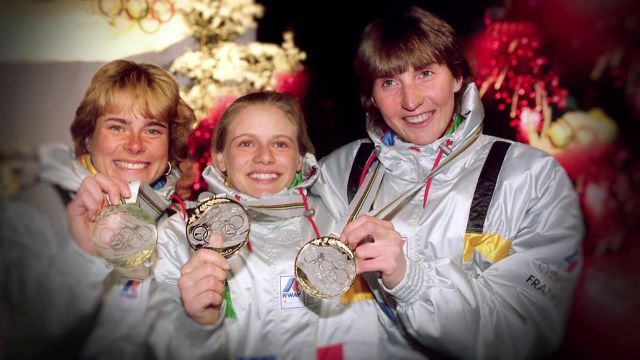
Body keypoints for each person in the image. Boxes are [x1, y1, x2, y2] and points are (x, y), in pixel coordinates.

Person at [312, 7, 584, 359]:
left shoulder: (532, 178)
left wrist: (409, 280)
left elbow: (524, 330)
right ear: (371, 97)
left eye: (425, 73)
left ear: (457, 77)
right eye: (389, 82)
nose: (411, 101)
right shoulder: (338, 175)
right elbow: (294, 295)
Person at [147, 91, 420, 359]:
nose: (264, 157)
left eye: (280, 144)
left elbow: (399, 336)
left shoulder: (343, 224)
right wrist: (198, 325)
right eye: (246, 143)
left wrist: (404, 279)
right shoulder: (180, 237)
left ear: (301, 157)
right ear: (220, 157)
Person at [0, 59, 196, 359]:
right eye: (118, 127)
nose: (135, 145)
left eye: (153, 130)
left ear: (169, 145)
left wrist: (204, 322)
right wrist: (84, 256)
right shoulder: (35, 210)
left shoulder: (179, 225)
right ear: (88, 137)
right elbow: (21, 343)